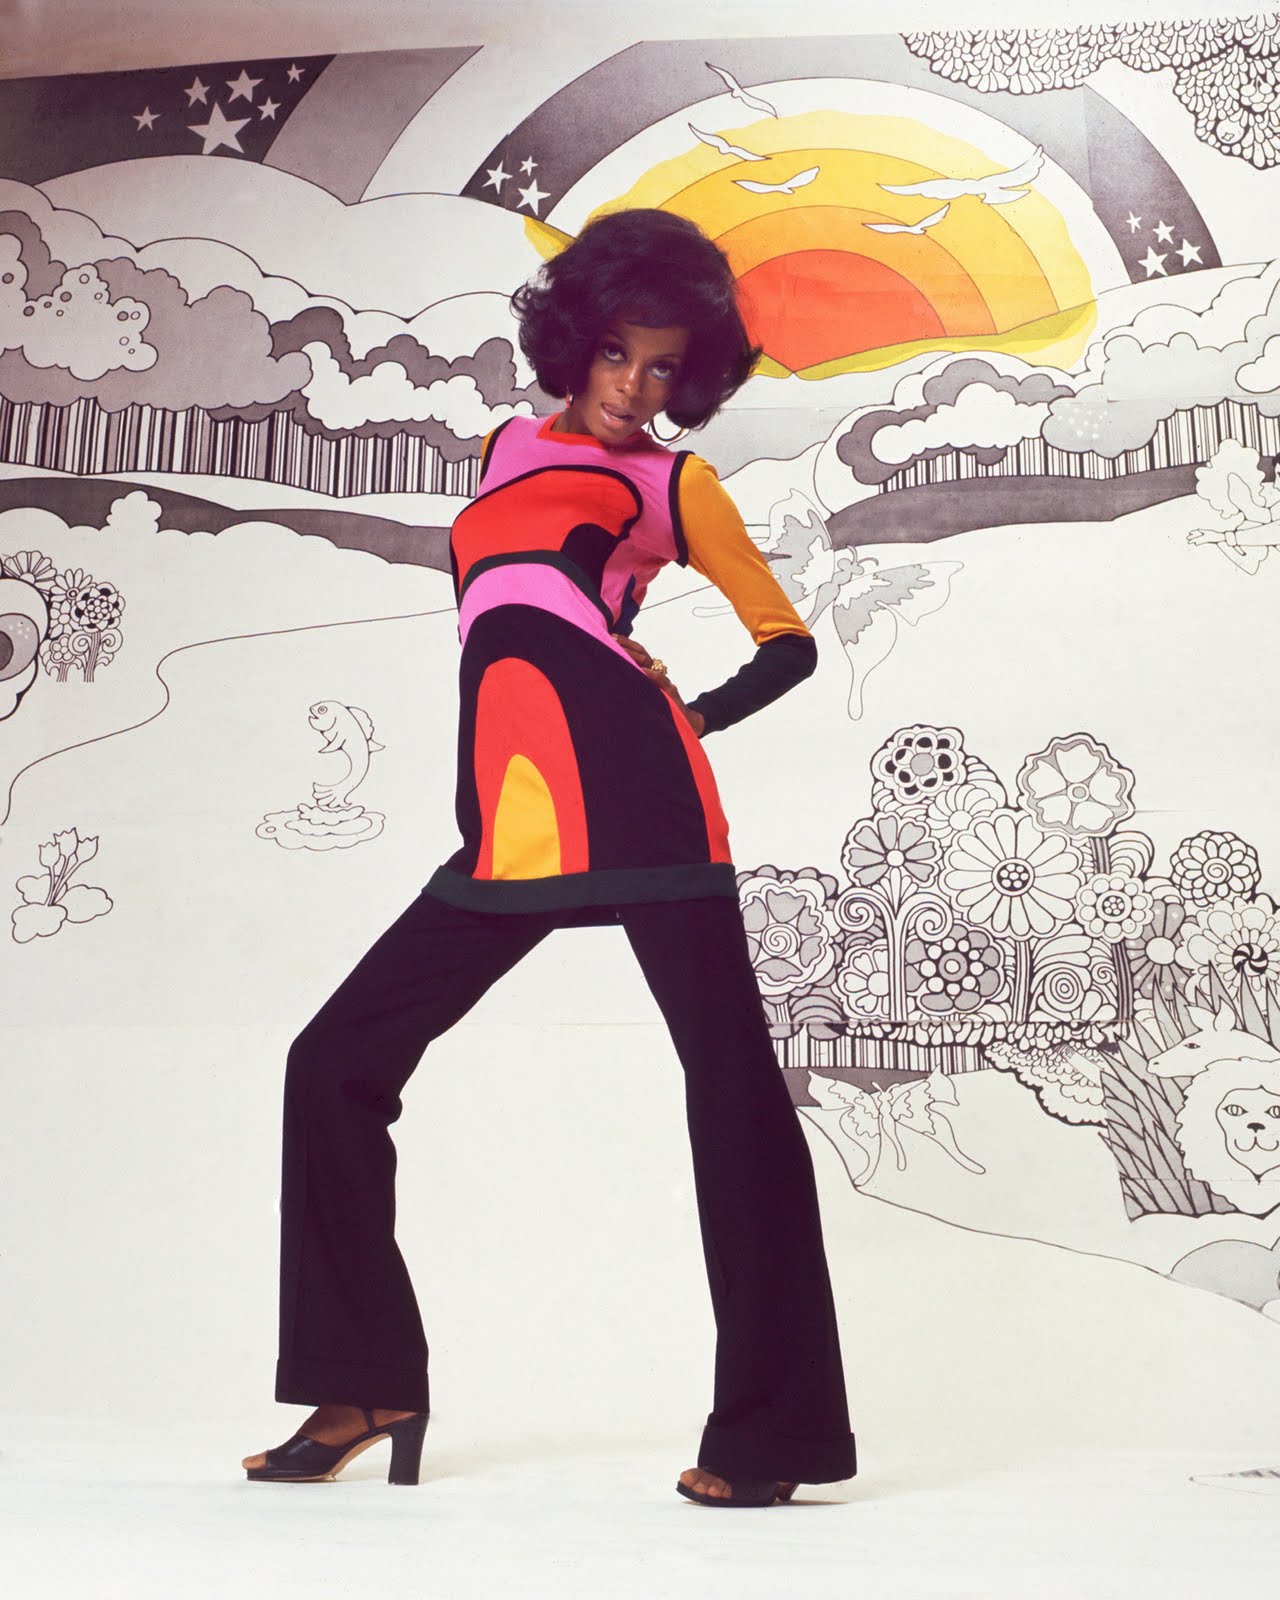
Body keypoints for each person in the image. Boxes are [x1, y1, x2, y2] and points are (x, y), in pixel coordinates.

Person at [241, 208, 857, 1507]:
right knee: (333, 1062)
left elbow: (788, 643)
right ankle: (362, 1382)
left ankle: (776, 1437)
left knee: (733, 1094)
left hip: (645, 798)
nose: (637, 389)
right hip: (512, 810)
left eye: (665, 369)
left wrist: (689, 716)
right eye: (619, 355)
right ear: (576, 341)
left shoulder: (677, 486)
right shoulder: (504, 448)